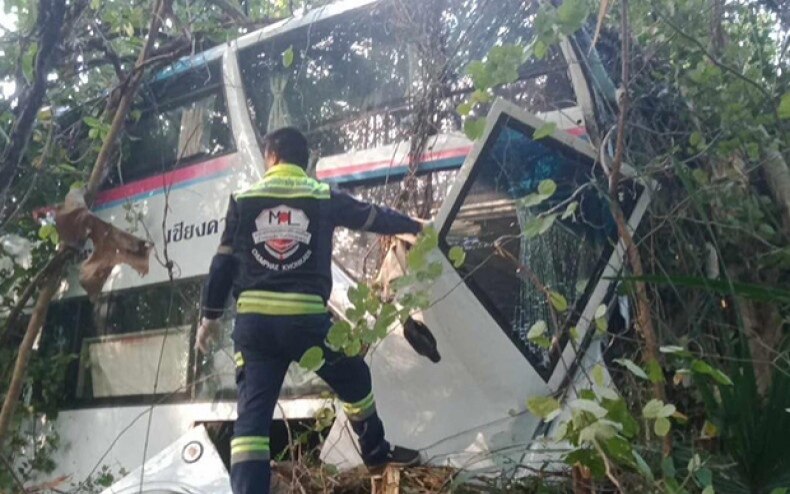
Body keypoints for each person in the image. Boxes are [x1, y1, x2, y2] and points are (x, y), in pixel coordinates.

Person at [195, 127, 423, 494]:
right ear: (305, 161)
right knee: (355, 378)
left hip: (255, 330)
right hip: (307, 323)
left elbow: (222, 264)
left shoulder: (243, 199)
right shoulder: (320, 196)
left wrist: (209, 317)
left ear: (271, 157)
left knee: (251, 423)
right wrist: (413, 226)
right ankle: (378, 456)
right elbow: (370, 216)